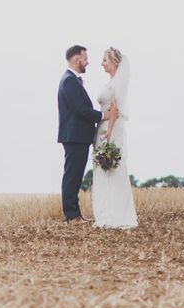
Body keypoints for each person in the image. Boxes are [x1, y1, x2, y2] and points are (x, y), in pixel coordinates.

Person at [57, 45, 114, 224]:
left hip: (78, 136)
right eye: (85, 58)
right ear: (76, 59)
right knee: (72, 176)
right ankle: (72, 215)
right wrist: (103, 115)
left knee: (75, 176)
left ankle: (75, 214)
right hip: (74, 136)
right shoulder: (69, 81)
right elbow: (79, 109)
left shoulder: (72, 80)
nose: (87, 62)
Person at [92, 47, 138, 229]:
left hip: (110, 128)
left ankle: (116, 216)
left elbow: (114, 109)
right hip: (104, 127)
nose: (102, 64)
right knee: (104, 169)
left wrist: (109, 132)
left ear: (112, 61)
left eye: (104, 60)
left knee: (113, 168)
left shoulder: (116, 84)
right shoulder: (111, 82)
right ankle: (106, 214)